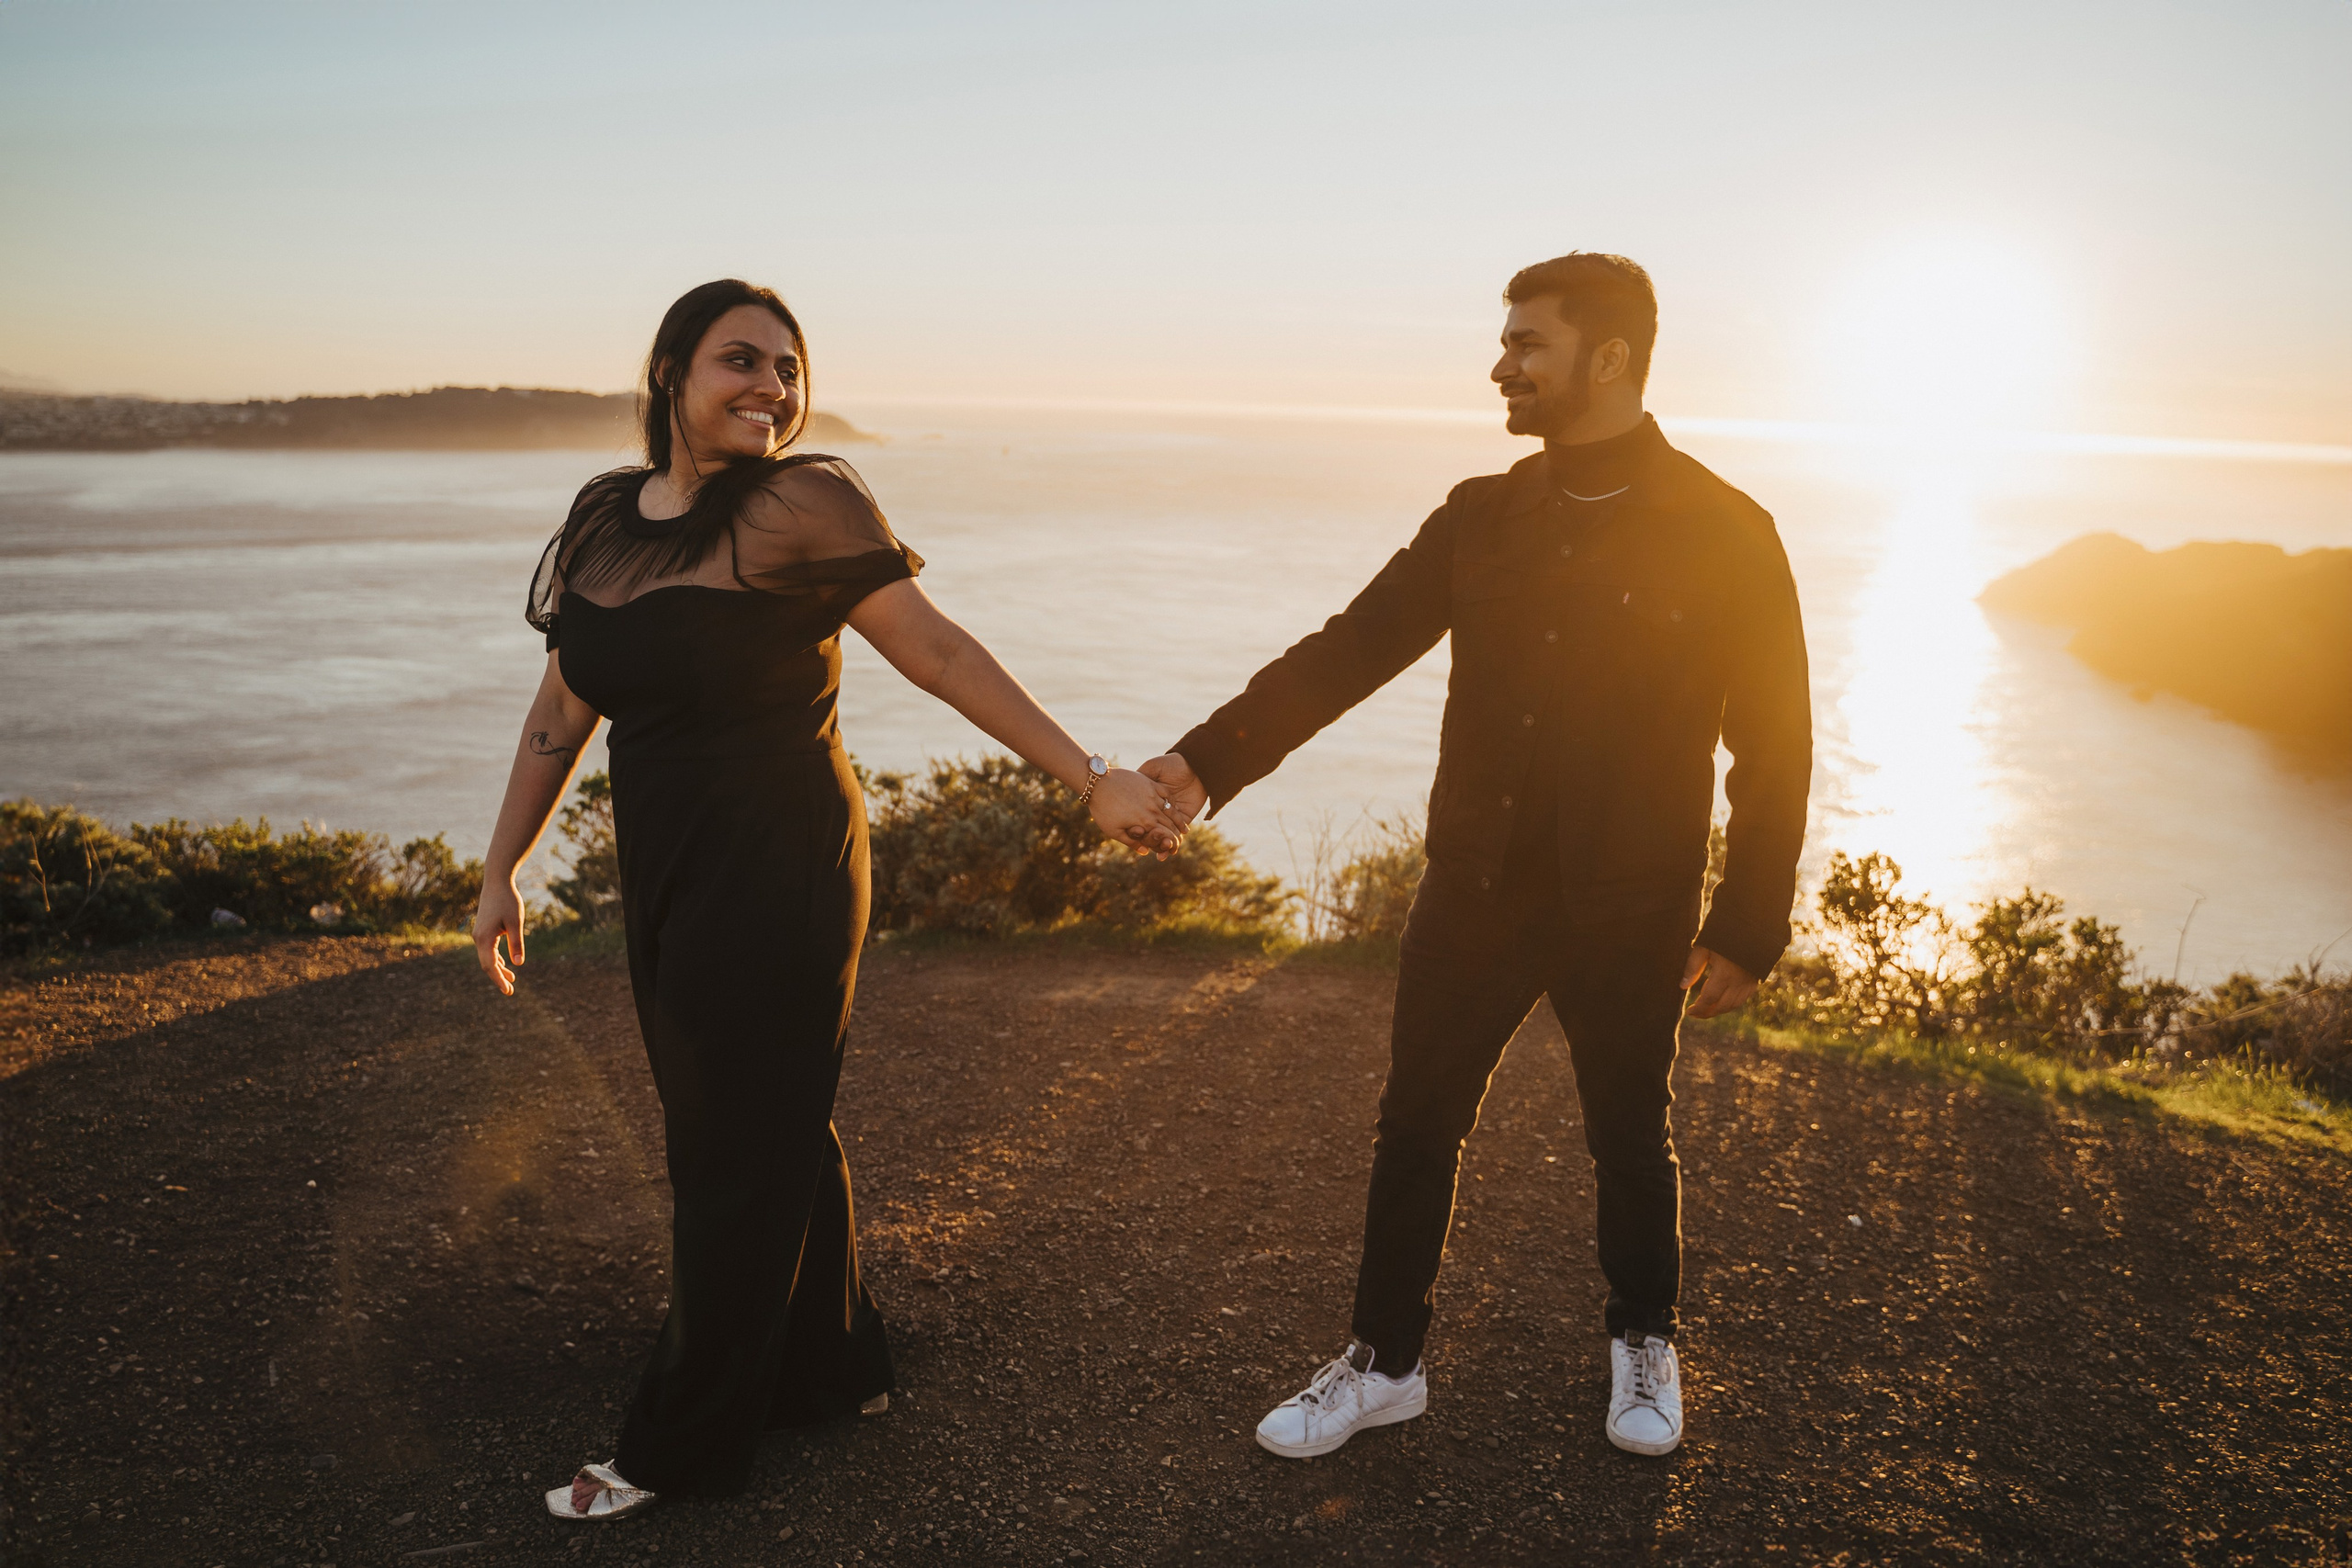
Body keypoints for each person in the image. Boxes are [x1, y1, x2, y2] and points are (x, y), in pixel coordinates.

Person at [470, 279, 1187, 1519]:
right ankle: (829, 1363)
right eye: (740, 361)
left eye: (790, 370)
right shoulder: (603, 521)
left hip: (785, 858)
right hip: (669, 862)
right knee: (761, 1113)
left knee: (731, 1144)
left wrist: (1091, 778)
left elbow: (940, 650)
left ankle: (679, 1443)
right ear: (671, 376)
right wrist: (500, 867)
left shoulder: (809, 499)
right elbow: (560, 710)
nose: (772, 388)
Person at [1140, 253, 1811, 1459]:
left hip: (1633, 898)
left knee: (1627, 1128)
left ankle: (1643, 1340)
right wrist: (1206, 762)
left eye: (1525, 344)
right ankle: (1385, 1363)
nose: (1501, 364)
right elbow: (1350, 650)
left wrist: (1748, 922)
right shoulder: (1480, 516)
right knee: (1417, 1121)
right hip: (1476, 890)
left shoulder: (1726, 530)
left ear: (1606, 358)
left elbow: (1776, 744)